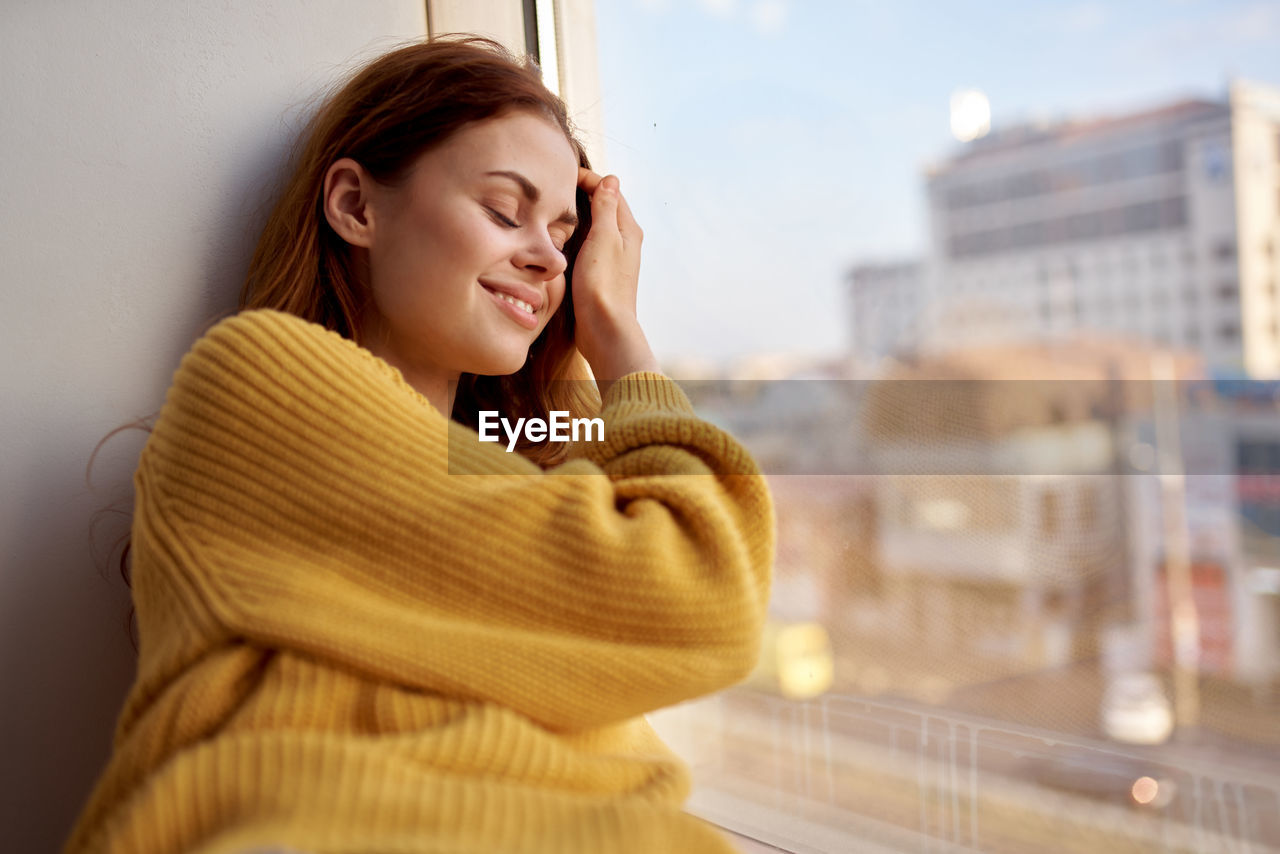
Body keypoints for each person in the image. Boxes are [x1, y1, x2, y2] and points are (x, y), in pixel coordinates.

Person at [65, 36, 774, 854]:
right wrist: (617, 333)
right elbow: (702, 592)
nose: (548, 258)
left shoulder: (508, 477)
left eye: (567, 235)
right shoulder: (256, 380)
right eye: (505, 211)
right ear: (357, 207)